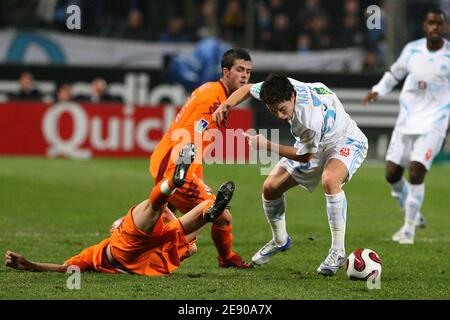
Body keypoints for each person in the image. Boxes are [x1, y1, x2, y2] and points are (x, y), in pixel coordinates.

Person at [213, 73, 368, 276]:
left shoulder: (308, 118)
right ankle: (280, 240)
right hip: (315, 144)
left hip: (344, 141)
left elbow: (304, 157)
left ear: (293, 96)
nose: (280, 116)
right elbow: (247, 88)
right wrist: (226, 105)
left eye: (282, 109)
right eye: (273, 111)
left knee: (330, 180)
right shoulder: (278, 88)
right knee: (270, 188)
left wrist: (266, 145)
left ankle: (337, 251)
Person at [5, 144, 236, 276]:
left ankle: (175, 185)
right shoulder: (167, 234)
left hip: (129, 257)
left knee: (155, 206)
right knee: (173, 215)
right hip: (153, 253)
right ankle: (202, 206)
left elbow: (64, 268)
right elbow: (191, 247)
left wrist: (30, 264)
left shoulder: (94, 255)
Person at [149, 48, 253, 269]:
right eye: (240, 70)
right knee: (221, 214)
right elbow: (189, 136)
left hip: (169, 161)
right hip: (177, 168)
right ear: (226, 71)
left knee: (159, 218)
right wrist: (183, 175)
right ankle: (223, 257)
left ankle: (129, 241)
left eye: (248, 71)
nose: (244, 76)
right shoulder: (213, 101)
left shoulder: (211, 90)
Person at [363, 9, 450, 245]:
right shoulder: (412, 49)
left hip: (435, 122)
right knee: (392, 174)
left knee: (416, 171)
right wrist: (378, 90)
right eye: (431, 23)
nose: (435, 27)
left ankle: (408, 229)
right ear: (424, 26)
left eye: (439, 24)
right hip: (407, 119)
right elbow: (394, 73)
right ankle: (414, 213)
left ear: (444, 27)